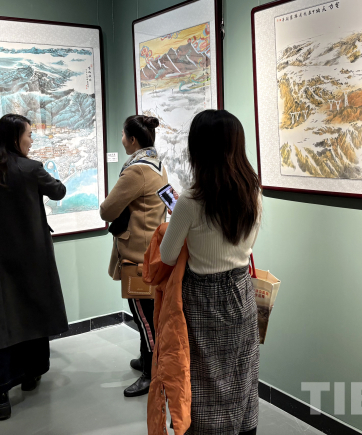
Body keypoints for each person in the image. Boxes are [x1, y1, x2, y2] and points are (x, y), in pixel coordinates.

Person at [159, 109, 262, 435]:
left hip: (202, 299)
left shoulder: (190, 201)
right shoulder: (253, 193)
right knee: (242, 375)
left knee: (203, 381)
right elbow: (246, 245)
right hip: (242, 292)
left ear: (198, 150)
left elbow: (167, 255)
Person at [0, 113, 69, 421]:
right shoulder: (30, 169)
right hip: (30, 258)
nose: (31, 140)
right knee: (32, 312)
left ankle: (0, 394)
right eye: (28, 135)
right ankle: (31, 374)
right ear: (15, 138)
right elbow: (59, 191)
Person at [99, 114, 168, 397]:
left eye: (123, 135)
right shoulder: (157, 164)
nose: (121, 140)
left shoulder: (135, 171)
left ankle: (151, 373)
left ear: (133, 139)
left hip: (137, 255)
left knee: (143, 316)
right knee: (148, 313)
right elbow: (168, 201)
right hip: (153, 249)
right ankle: (145, 357)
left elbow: (106, 210)